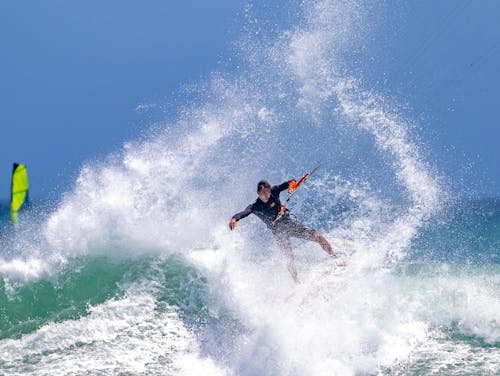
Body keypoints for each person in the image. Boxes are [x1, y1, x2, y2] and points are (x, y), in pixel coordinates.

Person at [229, 179, 338, 283]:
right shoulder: (255, 206)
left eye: (267, 192)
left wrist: (291, 186)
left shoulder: (274, 191)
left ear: (270, 190)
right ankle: (296, 282)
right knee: (289, 257)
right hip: (279, 234)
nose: (266, 196)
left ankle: (335, 258)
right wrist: (235, 218)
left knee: (318, 236)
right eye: (263, 194)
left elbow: (290, 182)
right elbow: (244, 212)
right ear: (258, 193)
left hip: (290, 225)